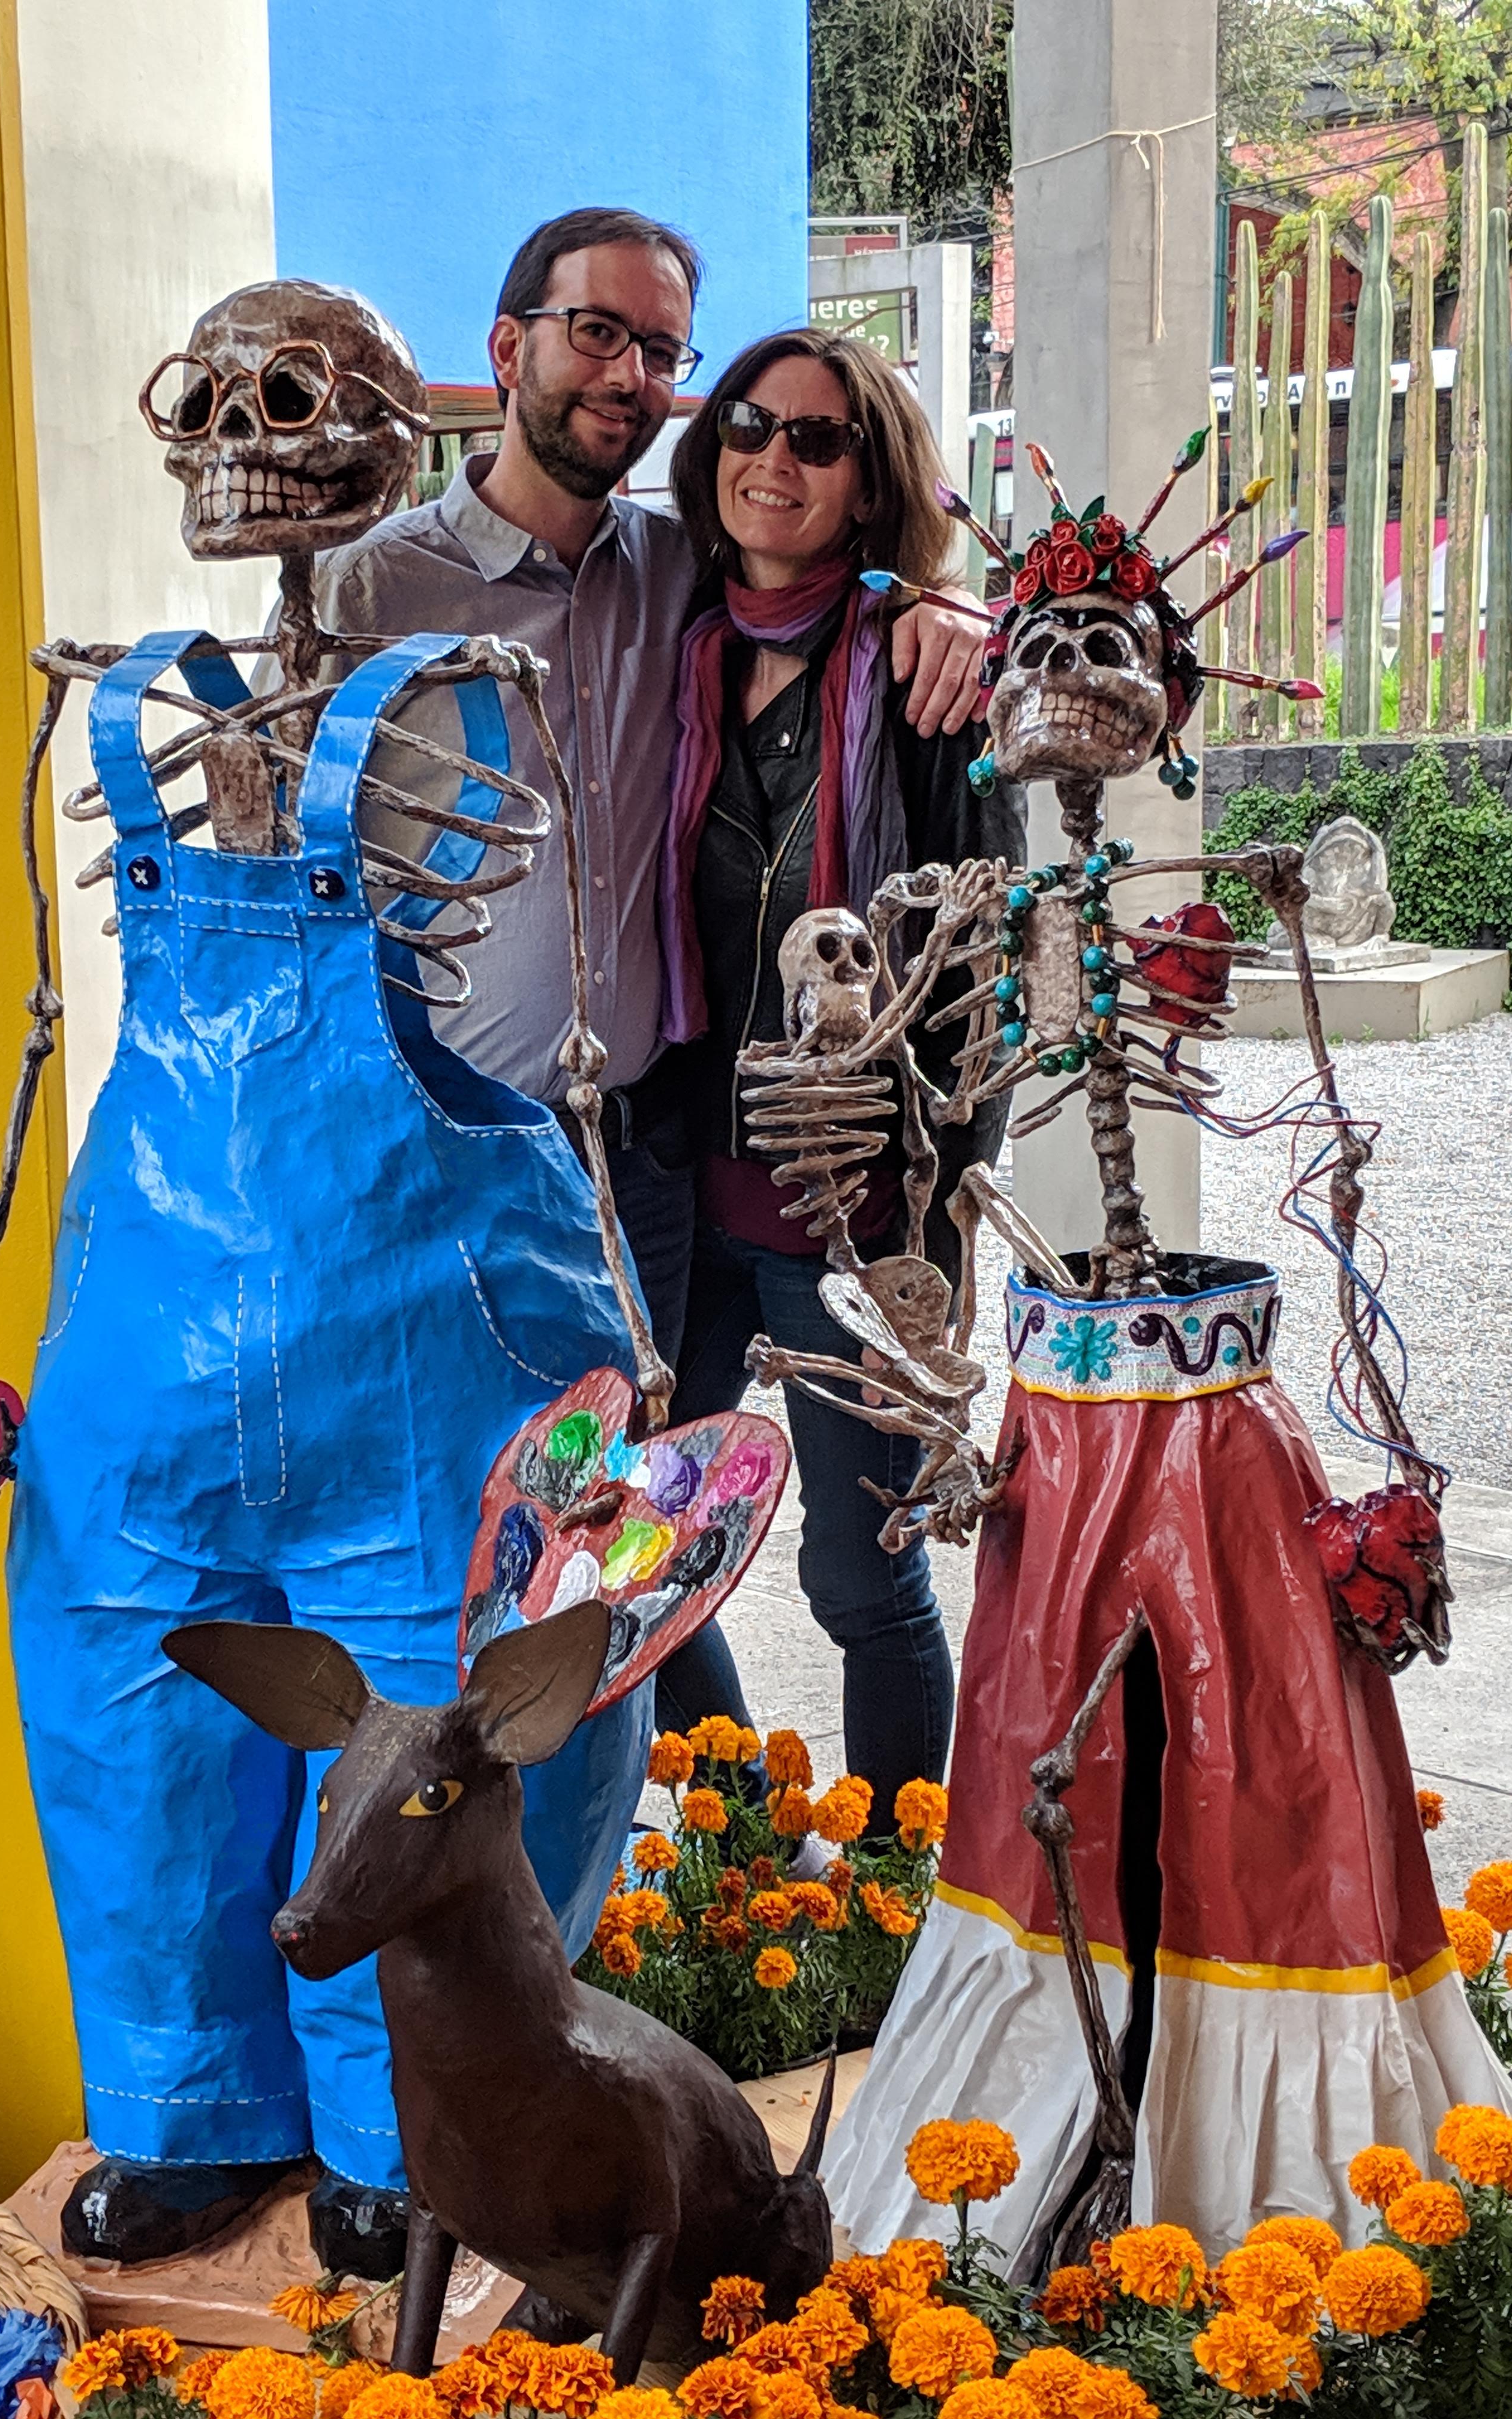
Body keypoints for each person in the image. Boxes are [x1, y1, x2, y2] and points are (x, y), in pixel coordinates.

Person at [313, 208, 987, 1372]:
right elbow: (284, 896)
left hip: (645, 1167)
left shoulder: (685, 578)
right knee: (456, 1481)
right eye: (597, 331)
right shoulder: (364, 597)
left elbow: (844, 590)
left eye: (661, 350)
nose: (629, 374)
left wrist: (956, 610)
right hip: (444, 1165)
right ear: (509, 348)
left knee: (643, 1480)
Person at [643, 332, 1024, 1824]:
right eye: (750, 424)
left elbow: (984, 984)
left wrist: (933, 1228)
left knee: (864, 1582)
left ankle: (886, 1894)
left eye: (818, 438)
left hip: (854, 1216)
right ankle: (744, 1850)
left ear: (870, 484)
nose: (774, 459)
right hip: (676, 1193)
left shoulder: (927, 688)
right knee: (646, 1549)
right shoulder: (675, 655)